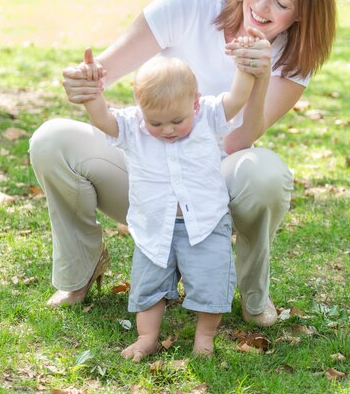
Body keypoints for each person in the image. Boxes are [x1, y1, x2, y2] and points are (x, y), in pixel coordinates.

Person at [30, 0, 337, 329]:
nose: (261, 8)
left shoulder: (296, 54)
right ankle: (81, 271)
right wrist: (84, 81)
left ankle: (253, 293)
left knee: (267, 175)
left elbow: (239, 139)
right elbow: (104, 68)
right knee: (51, 138)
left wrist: (257, 79)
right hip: (146, 176)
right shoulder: (193, 4)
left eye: (281, 3)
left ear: (300, 15)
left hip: (211, 188)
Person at [81, 52, 255, 359]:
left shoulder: (207, 117)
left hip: (205, 223)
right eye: (156, 122)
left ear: (195, 103)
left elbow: (238, 97)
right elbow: (102, 119)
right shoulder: (133, 128)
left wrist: (244, 68)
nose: (168, 130)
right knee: (149, 287)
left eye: (178, 120)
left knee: (210, 281)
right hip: (154, 227)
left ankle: (205, 338)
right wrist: (93, 93)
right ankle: (147, 337)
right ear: (141, 112)